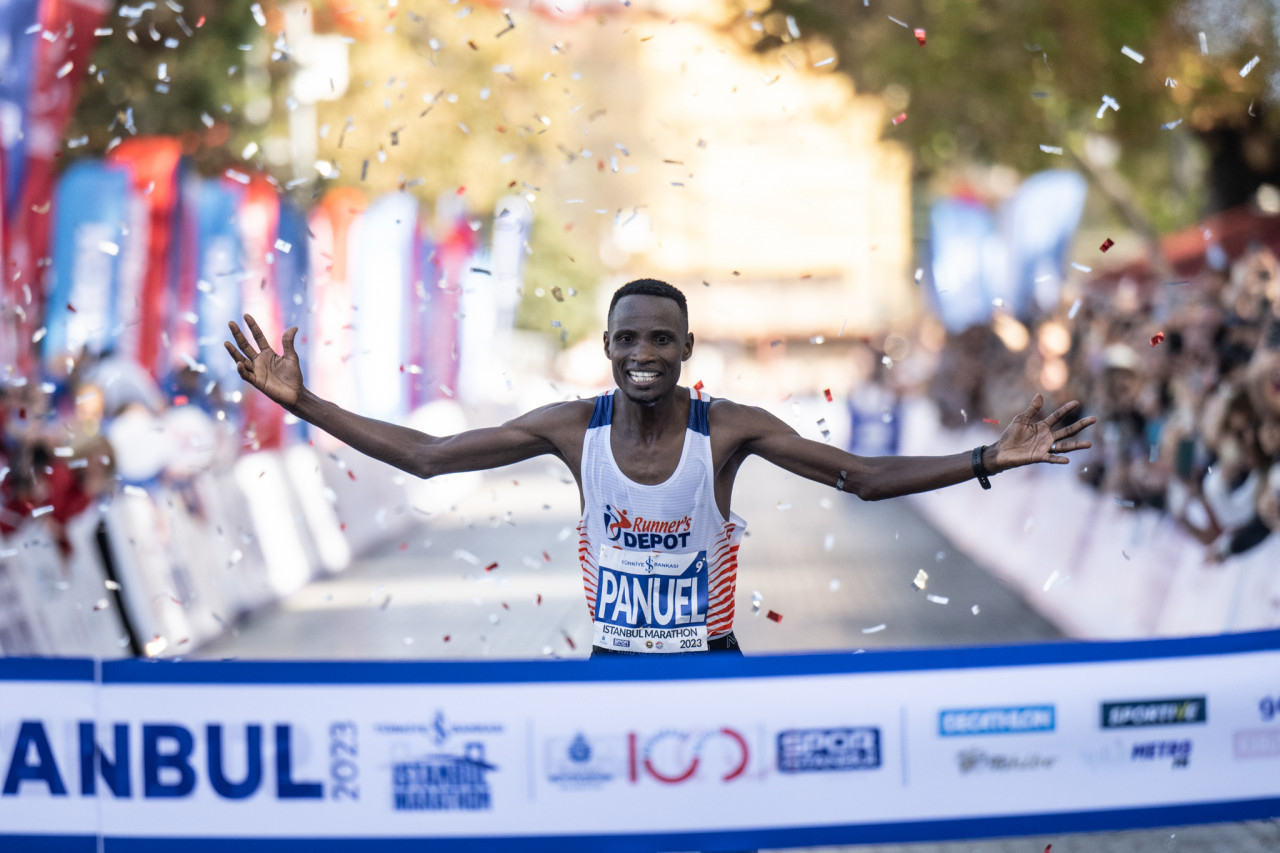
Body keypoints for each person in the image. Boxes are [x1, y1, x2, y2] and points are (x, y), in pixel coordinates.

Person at [225, 278, 1095, 657]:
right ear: (607, 347)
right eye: (628, 338)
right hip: (612, 667)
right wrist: (303, 404)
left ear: (685, 348)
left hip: (710, 662)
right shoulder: (573, 429)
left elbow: (860, 476)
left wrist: (991, 456)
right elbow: (427, 457)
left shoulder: (730, 430)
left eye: (660, 338)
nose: (643, 352)